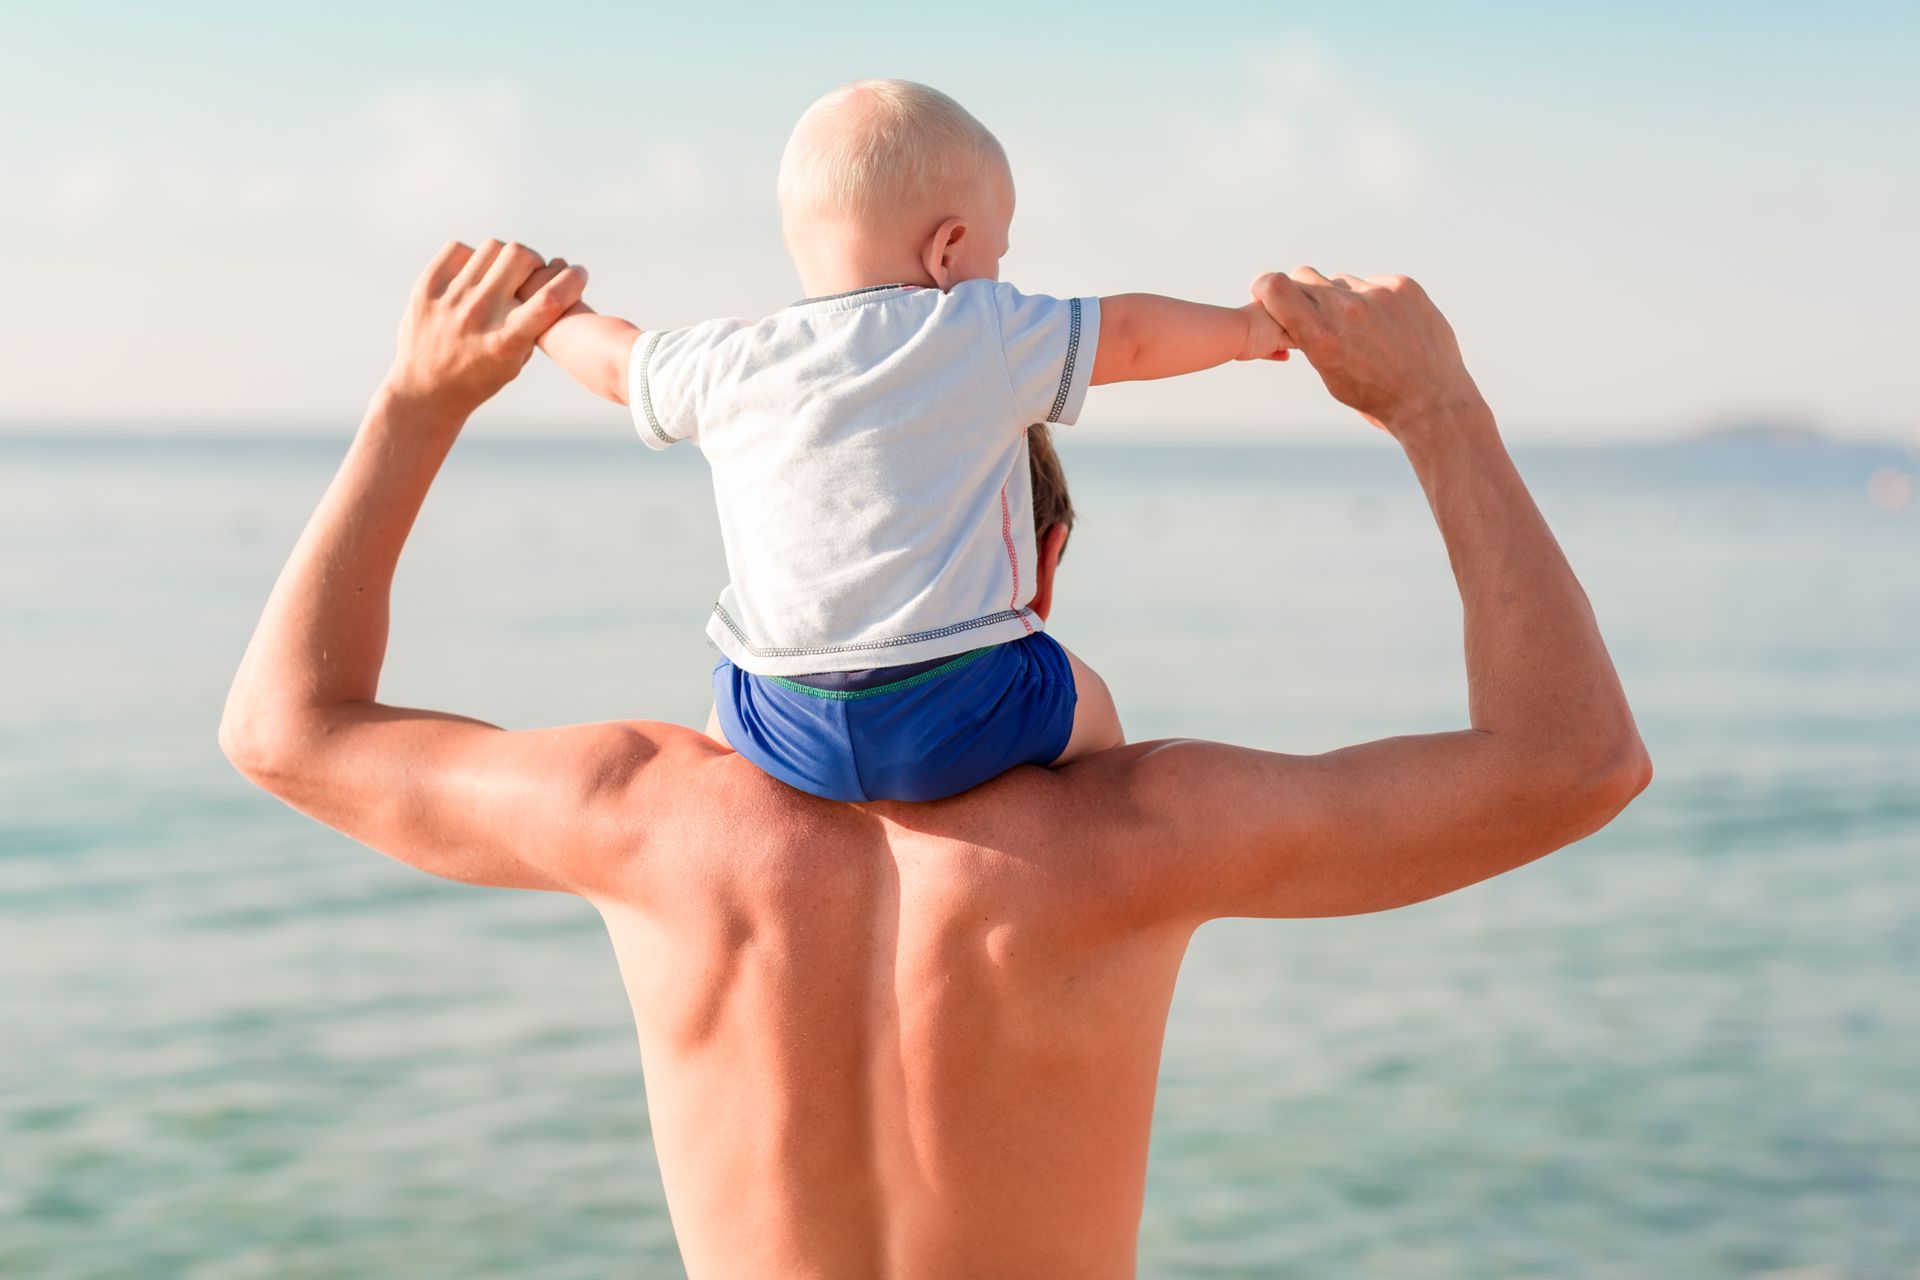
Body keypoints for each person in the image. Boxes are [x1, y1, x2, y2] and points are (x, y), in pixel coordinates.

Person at [220, 239, 1652, 1279]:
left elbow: (286, 731)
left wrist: (416, 409)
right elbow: (1573, 763)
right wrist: (1437, 414)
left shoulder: (643, 820)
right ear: (1044, 556)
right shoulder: (1140, 833)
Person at [526, 77, 1292, 803]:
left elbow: (620, 364)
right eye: (1000, 251)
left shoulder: (729, 362)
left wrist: (547, 310)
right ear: (950, 248)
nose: (1000, 272)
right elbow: (1127, 335)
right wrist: (1248, 330)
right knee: (1095, 712)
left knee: (719, 735)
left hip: (776, 714)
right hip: (961, 706)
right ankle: (1087, 840)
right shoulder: (976, 329)